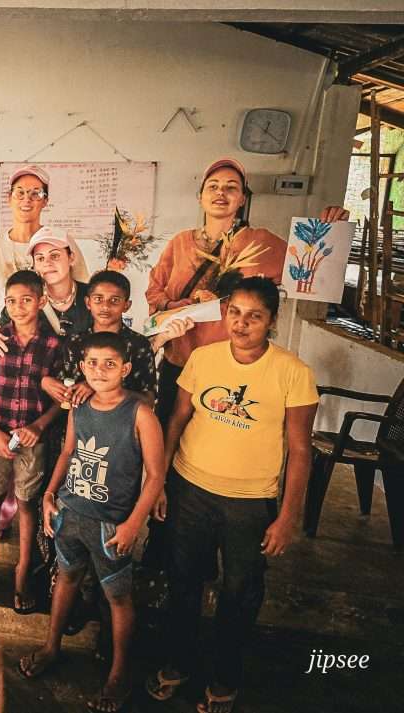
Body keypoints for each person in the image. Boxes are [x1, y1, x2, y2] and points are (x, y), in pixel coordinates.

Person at [144, 277, 318, 713]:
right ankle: (178, 663)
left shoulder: (293, 373)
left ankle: (224, 678)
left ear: (272, 321)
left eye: (254, 316)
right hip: (190, 491)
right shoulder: (203, 358)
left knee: (239, 591)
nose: (241, 324)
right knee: (183, 582)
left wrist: (288, 516)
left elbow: (300, 451)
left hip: (250, 503)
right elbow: (176, 421)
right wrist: (160, 481)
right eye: (235, 313)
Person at [21, 331, 165, 713]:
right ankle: (52, 645)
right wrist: (49, 496)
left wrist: (134, 522)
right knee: (66, 578)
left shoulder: (140, 414)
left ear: (126, 368)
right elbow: (68, 451)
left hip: (111, 525)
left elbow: (155, 475)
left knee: (117, 597)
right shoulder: (78, 408)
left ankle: (119, 673)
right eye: (93, 363)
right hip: (70, 516)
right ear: (82, 367)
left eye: (111, 364)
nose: (101, 371)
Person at [145, 157, 346, 430]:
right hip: (178, 362)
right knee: (166, 432)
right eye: (213, 186)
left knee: (213, 440)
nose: (220, 193)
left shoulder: (260, 242)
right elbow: (154, 291)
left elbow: (311, 270)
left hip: (227, 366)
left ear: (242, 199)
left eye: (231, 187)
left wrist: (328, 232)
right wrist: (183, 304)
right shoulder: (180, 242)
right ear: (200, 196)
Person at [0, 270, 65, 613]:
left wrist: (38, 426)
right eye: (11, 301)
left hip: (31, 438)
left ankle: (22, 572)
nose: (19, 308)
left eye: (26, 300)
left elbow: (60, 398)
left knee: (26, 503)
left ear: (42, 301)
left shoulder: (53, 344)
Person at [43, 270, 158, 410]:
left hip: (123, 426)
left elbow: (148, 401)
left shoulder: (139, 345)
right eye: (98, 299)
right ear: (88, 302)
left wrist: (97, 386)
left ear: (127, 305)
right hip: (79, 425)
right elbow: (63, 395)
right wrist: (49, 384)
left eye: (114, 300)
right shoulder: (74, 343)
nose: (105, 306)